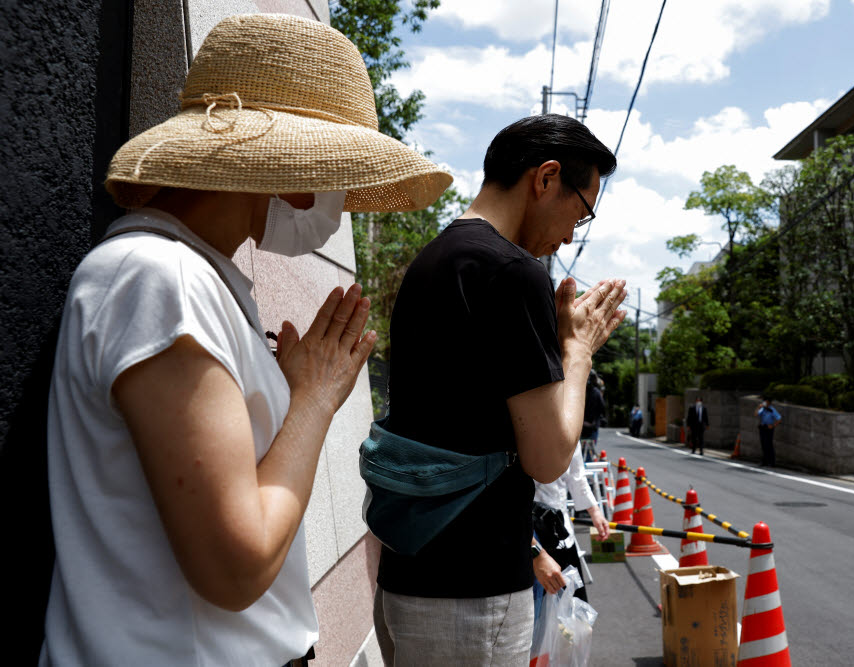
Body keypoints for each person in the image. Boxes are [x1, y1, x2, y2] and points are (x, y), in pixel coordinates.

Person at [41, 15, 451, 666]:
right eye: (335, 174)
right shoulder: (161, 278)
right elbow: (237, 567)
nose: (334, 202)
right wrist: (313, 401)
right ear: (295, 172)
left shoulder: (182, 276)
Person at [373, 114, 624, 665]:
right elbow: (547, 458)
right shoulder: (512, 273)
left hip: (411, 566)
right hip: (474, 585)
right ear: (546, 178)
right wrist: (576, 354)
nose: (570, 234)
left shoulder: (434, 261)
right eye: (581, 212)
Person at [531, 443, 611, 603]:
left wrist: (595, 512)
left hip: (561, 532)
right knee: (535, 614)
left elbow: (576, 476)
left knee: (574, 610)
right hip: (527, 535)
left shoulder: (569, 427)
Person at [580, 370, 605, 461]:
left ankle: (582, 468)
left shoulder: (580, 392)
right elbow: (602, 408)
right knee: (590, 451)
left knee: (580, 452)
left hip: (581, 426)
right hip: (593, 426)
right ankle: (587, 469)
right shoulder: (597, 393)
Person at [757, 396, 782, 467]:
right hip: (762, 427)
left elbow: (779, 419)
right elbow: (756, 414)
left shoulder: (772, 410)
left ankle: (772, 462)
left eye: (766, 402)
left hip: (768, 428)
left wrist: (773, 425)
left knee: (769, 445)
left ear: (769, 403)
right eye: (764, 402)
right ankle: (764, 461)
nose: (765, 403)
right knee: (763, 444)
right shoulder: (762, 409)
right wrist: (758, 408)